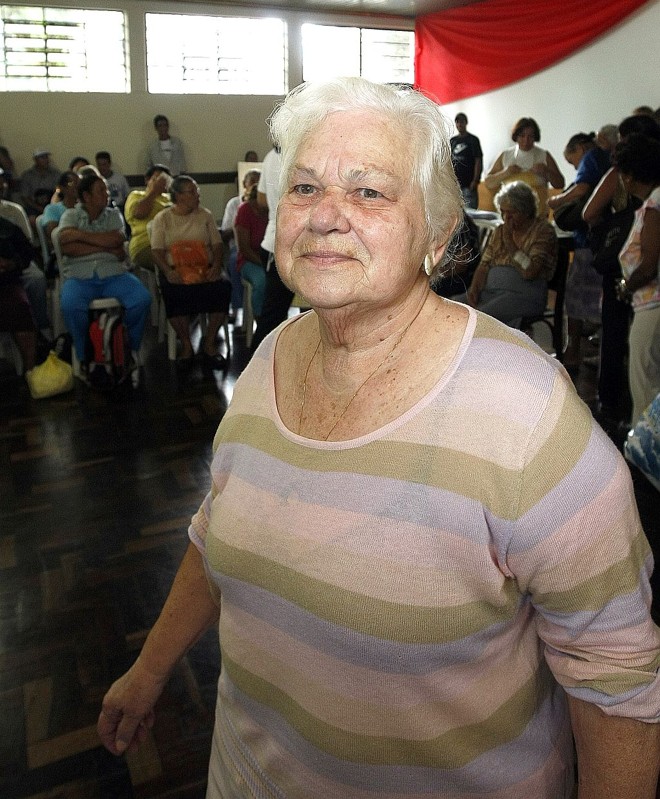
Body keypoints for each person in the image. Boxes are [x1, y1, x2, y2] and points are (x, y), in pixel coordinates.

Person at [98, 78, 660, 799]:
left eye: (369, 192)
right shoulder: (270, 357)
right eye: (304, 187)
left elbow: (614, 681)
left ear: (435, 232)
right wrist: (149, 670)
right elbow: (217, 533)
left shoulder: (527, 416)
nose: (326, 215)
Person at [58, 173, 151, 369]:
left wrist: (81, 238)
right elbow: (66, 244)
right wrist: (103, 244)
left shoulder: (113, 215)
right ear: (86, 196)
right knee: (70, 306)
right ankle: (84, 353)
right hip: (79, 276)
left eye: (106, 189)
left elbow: (117, 240)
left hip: (114, 274)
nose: (107, 194)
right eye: (101, 191)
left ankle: (128, 345)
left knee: (141, 299)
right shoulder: (71, 215)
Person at [149, 176, 231, 369]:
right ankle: (186, 344)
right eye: (192, 191)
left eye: (197, 190)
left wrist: (216, 266)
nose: (197, 195)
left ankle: (209, 343)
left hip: (205, 267)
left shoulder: (205, 215)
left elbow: (217, 244)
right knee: (173, 292)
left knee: (223, 287)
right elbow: (156, 251)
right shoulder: (163, 218)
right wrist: (168, 271)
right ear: (178, 196)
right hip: (176, 269)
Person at [547, 132, 611, 370]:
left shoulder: (592, 156)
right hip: (603, 241)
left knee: (574, 298)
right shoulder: (606, 158)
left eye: (572, 161)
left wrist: (558, 201)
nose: (575, 166)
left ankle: (571, 350)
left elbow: (582, 189)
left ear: (580, 148)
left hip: (589, 241)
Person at [458, 181, 557, 326]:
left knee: (477, 319)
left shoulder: (542, 231)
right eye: (503, 212)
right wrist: (474, 289)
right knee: (452, 306)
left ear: (526, 211)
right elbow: (484, 265)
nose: (506, 218)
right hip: (491, 293)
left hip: (524, 296)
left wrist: (510, 243)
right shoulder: (500, 231)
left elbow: (530, 271)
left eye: (512, 213)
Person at [613, 134, 660, 425]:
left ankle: (648, 465)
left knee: (645, 390)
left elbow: (648, 265)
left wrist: (624, 286)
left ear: (629, 177)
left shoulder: (654, 206)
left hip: (652, 306)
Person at [249, 145, 291, 352]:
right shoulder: (298, 154)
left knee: (273, 314)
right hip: (284, 244)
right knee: (273, 316)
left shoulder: (270, 156)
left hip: (273, 242)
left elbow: (261, 199)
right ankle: (256, 370)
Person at [484, 117, 564, 214]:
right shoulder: (505, 155)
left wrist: (546, 171)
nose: (526, 140)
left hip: (537, 215)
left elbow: (560, 184)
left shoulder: (544, 155)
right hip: (509, 214)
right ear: (516, 136)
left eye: (530, 136)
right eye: (522, 136)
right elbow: (488, 183)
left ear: (535, 137)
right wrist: (506, 172)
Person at [220, 169, 261, 317]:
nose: (256, 185)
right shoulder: (235, 204)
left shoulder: (267, 204)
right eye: (252, 182)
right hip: (237, 247)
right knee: (233, 262)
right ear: (244, 184)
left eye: (259, 182)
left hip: (259, 249)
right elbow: (224, 234)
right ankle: (238, 306)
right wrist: (240, 225)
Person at [0, 217, 38, 375]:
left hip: (6, 284)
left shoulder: (6, 227)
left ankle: (30, 372)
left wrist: (12, 264)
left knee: (20, 307)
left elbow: (27, 253)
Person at [124, 164, 172, 271]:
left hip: (171, 243)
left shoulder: (170, 199)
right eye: (157, 179)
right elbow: (139, 213)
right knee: (172, 261)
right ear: (147, 180)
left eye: (164, 181)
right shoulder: (137, 195)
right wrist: (154, 191)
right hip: (146, 244)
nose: (161, 183)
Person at [234, 180, 268, 317]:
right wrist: (264, 264)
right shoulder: (245, 210)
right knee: (262, 281)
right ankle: (261, 321)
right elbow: (244, 249)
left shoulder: (273, 210)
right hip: (249, 260)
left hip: (270, 258)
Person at [450, 112, 482, 209]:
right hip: (455, 185)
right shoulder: (452, 141)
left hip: (469, 184)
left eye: (462, 122)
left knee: (470, 213)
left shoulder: (473, 140)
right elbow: (449, 161)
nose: (460, 124)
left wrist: (475, 180)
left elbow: (478, 160)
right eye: (457, 122)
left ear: (466, 123)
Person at [19, 148, 60, 222]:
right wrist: (39, 208)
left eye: (46, 157)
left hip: (52, 204)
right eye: (42, 158)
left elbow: (58, 191)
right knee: (32, 220)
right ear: (35, 160)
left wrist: (51, 206)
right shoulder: (27, 175)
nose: (46, 160)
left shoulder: (55, 174)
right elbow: (25, 197)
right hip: (33, 207)